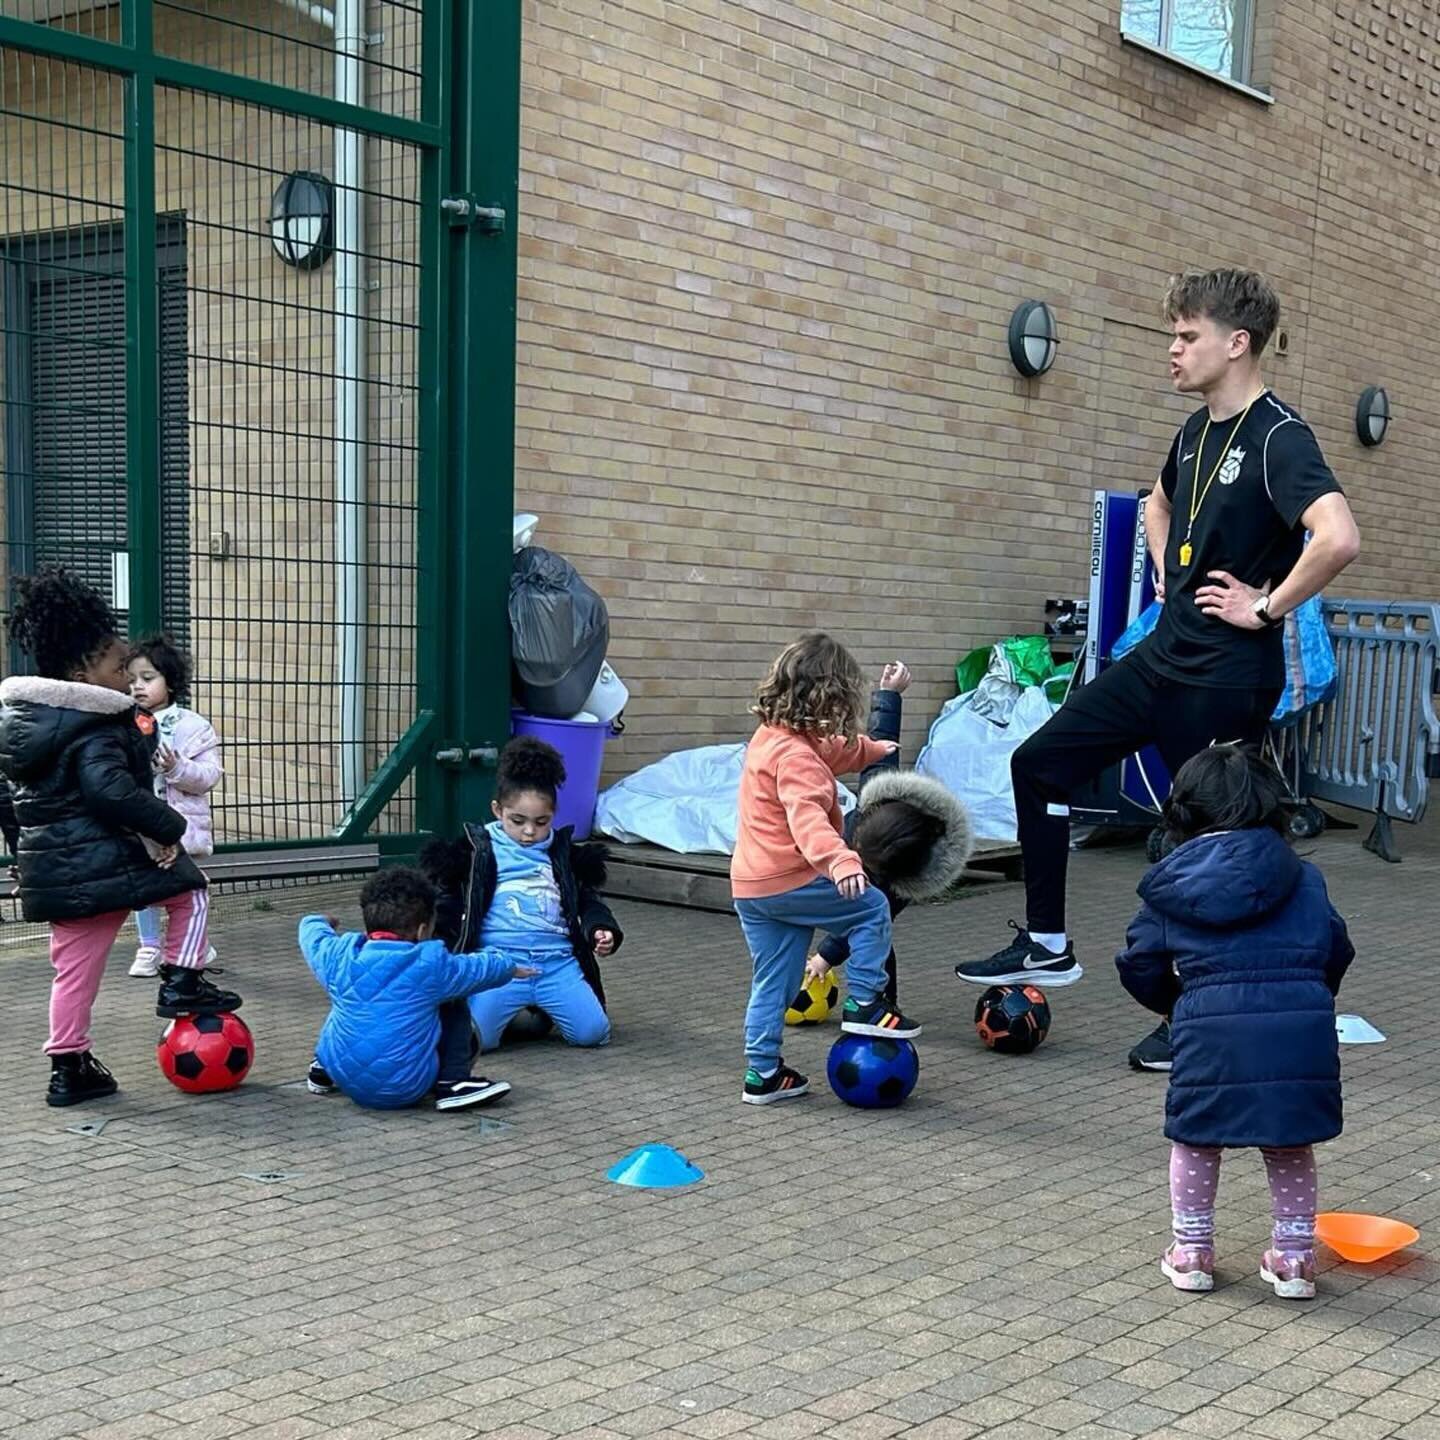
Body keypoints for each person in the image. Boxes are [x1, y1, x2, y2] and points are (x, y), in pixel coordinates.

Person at [955, 268, 1361, 1073]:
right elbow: (1157, 504)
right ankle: (1046, 944)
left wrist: (1267, 605)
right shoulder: (1193, 432)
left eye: (1187, 336)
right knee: (1041, 763)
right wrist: (1170, 576)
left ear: (1236, 342)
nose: (1172, 350)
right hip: (1163, 658)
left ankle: (1200, 1013)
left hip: (1226, 677)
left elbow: (1339, 537)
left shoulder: (1281, 437)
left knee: (1215, 843)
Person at [1115, 745, 1354, 1299]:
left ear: (1183, 812)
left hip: (1208, 1027)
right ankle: (1294, 1260)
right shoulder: (1306, 878)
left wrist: (1175, 1005)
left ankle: (1192, 1252)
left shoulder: (1171, 884)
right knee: (1290, 1142)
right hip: (1299, 1028)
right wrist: (1312, 996)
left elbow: (1140, 961)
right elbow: (1336, 946)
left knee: (1197, 1138)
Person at [0, 569, 240, 1108]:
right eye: (116, 667)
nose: (127, 680)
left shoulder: (25, 727)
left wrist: (25, 857)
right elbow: (109, 791)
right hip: (105, 863)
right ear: (84, 668)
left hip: (61, 875)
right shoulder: (94, 725)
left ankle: (68, 1067)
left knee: (73, 973)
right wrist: (170, 826)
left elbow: (6, 801)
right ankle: (181, 979)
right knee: (191, 889)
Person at [732, 632, 917, 1105]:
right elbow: (808, 816)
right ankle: (865, 1002)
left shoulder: (774, 738)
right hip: (789, 879)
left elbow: (833, 750)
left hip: (752, 887)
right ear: (830, 698)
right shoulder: (798, 760)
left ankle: (763, 1074)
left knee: (775, 979)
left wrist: (872, 751)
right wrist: (840, 860)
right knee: (871, 908)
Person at [419, 737, 623, 1053]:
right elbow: (450, 903)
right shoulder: (477, 851)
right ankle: (516, 1015)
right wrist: (441, 947)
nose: (530, 832)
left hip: (556, 965)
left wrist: (600, 928)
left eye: (541, 822)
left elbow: (588, 900)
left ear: (554, 814)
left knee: (593, 1034)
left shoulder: (564, 854)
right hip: (498, 965)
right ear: (497, 810)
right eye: (518, 821)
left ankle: (537, 1011)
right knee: (475, 1041)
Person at [797, 663, 973, 1009]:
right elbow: (882, 747)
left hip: (898, 875)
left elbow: (864, 917)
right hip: (890, 827)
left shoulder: (904, 878)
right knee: (864, 915)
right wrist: (889, 694)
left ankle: (879, 1003)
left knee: (874, 928)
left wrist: (823, 958)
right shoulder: (876, 801)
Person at [299, 867, 529, 1111]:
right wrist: (508, 964)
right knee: (452, 999)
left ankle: (322, 1069)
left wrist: (320, 921)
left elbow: (310, 931)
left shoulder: (339, 955)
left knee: (352, 997)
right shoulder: (429, 965)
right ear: (422, 930)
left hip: (344, 1076)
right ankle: (453, 1082)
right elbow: (476, 969)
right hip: (405, 1087)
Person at [126, 634, 222, 978]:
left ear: (171, 680)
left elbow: (210, 776)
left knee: (188, 889)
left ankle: (193, 944)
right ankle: (150, 945)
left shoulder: (194, 727)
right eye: (132, 679)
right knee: (144, 886)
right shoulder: (123, 723)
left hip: (182, 825)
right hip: (142, 822)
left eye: (148, 678)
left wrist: (176, 768)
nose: (138, 687)